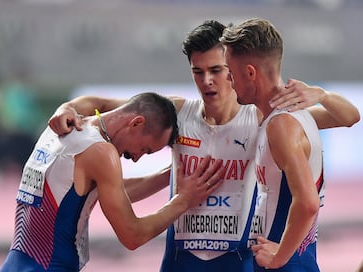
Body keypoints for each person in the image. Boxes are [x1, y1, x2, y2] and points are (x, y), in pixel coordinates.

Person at [48, 21, 359, 272]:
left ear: (231, 68)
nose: (207, 81)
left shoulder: (262, 117)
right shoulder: (176, 112)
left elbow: (349, 117)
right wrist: (65, 108)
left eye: (216, 70)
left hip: (237, 259)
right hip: (180, 258)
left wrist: (321, 94)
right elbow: (94, 104)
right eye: (198, 72)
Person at [0, 92, 225, 272]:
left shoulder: (63, 124)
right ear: (136, 123)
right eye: (145, 149)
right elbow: (132, 235)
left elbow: (108, 191)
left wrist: (170, 175)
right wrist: (184, 200)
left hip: (16, 263)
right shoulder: (101, 152)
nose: (137, 158)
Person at [220, 17, 360, 271]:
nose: (229, 82)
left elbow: (307, 203)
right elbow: (351, 116)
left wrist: (279, 257)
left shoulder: (282, 126)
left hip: (284, 263)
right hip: (293, 258)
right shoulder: (285, 116)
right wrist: (324, 96)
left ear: (250, 72)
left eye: (231, 73)